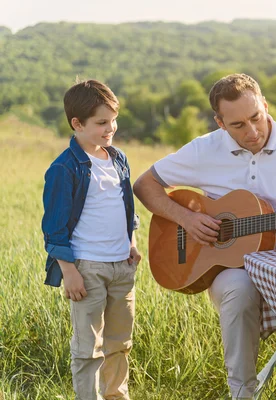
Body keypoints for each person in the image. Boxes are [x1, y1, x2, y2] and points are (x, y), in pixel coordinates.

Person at [132, 73, 276, 399]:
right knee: (239, 291)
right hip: (229, 265)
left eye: (256, 117)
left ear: (265, 105)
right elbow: (145, 185)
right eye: (238, 125)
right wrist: (187, 218)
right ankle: (242, 393)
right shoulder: (204, 150)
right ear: (220, 122)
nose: (252, 131)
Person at [41, 79, 141, 400]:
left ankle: (116, 396)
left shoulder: (118, 158)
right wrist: (69, 271)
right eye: (101, 122)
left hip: (122, 268)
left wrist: (133, 242)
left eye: (113, 120)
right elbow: (54, 228)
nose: (110, 128)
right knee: (89, 348)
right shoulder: (64, 168)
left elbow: (127, 207)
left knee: (120, 343)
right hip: (87, 269)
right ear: (77, 123)